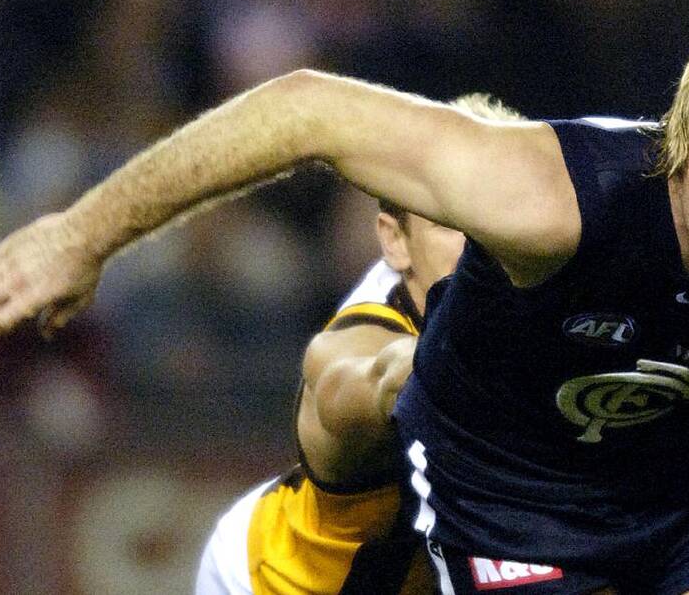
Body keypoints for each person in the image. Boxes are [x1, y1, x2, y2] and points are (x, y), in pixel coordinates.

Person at [0, 2, 689, 593]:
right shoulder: (551, 199)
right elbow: (307, 109)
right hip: (506, 495)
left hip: (680, 483)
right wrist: (82, 233)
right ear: (679, 146)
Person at [195, 94, 519, 594]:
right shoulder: (365, 334)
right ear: (395, 240)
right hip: (275, 580)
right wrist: (424, 371)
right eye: (451, 222)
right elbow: (349, 382)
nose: (482, 240)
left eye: (499, 212)